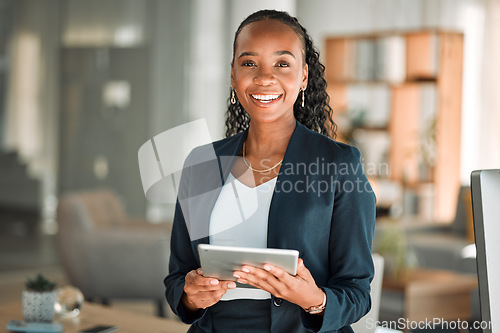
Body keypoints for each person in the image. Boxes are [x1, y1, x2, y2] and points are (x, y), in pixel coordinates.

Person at [164, 9, 376, 333]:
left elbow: (357, 292)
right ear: (233, 75)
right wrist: (191, 296)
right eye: (249, 63)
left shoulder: (339, 165)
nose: (264, 78)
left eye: (282, 63)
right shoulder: (202, 164)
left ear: (303, 76)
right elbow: (178, 277)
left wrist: (315, 299)